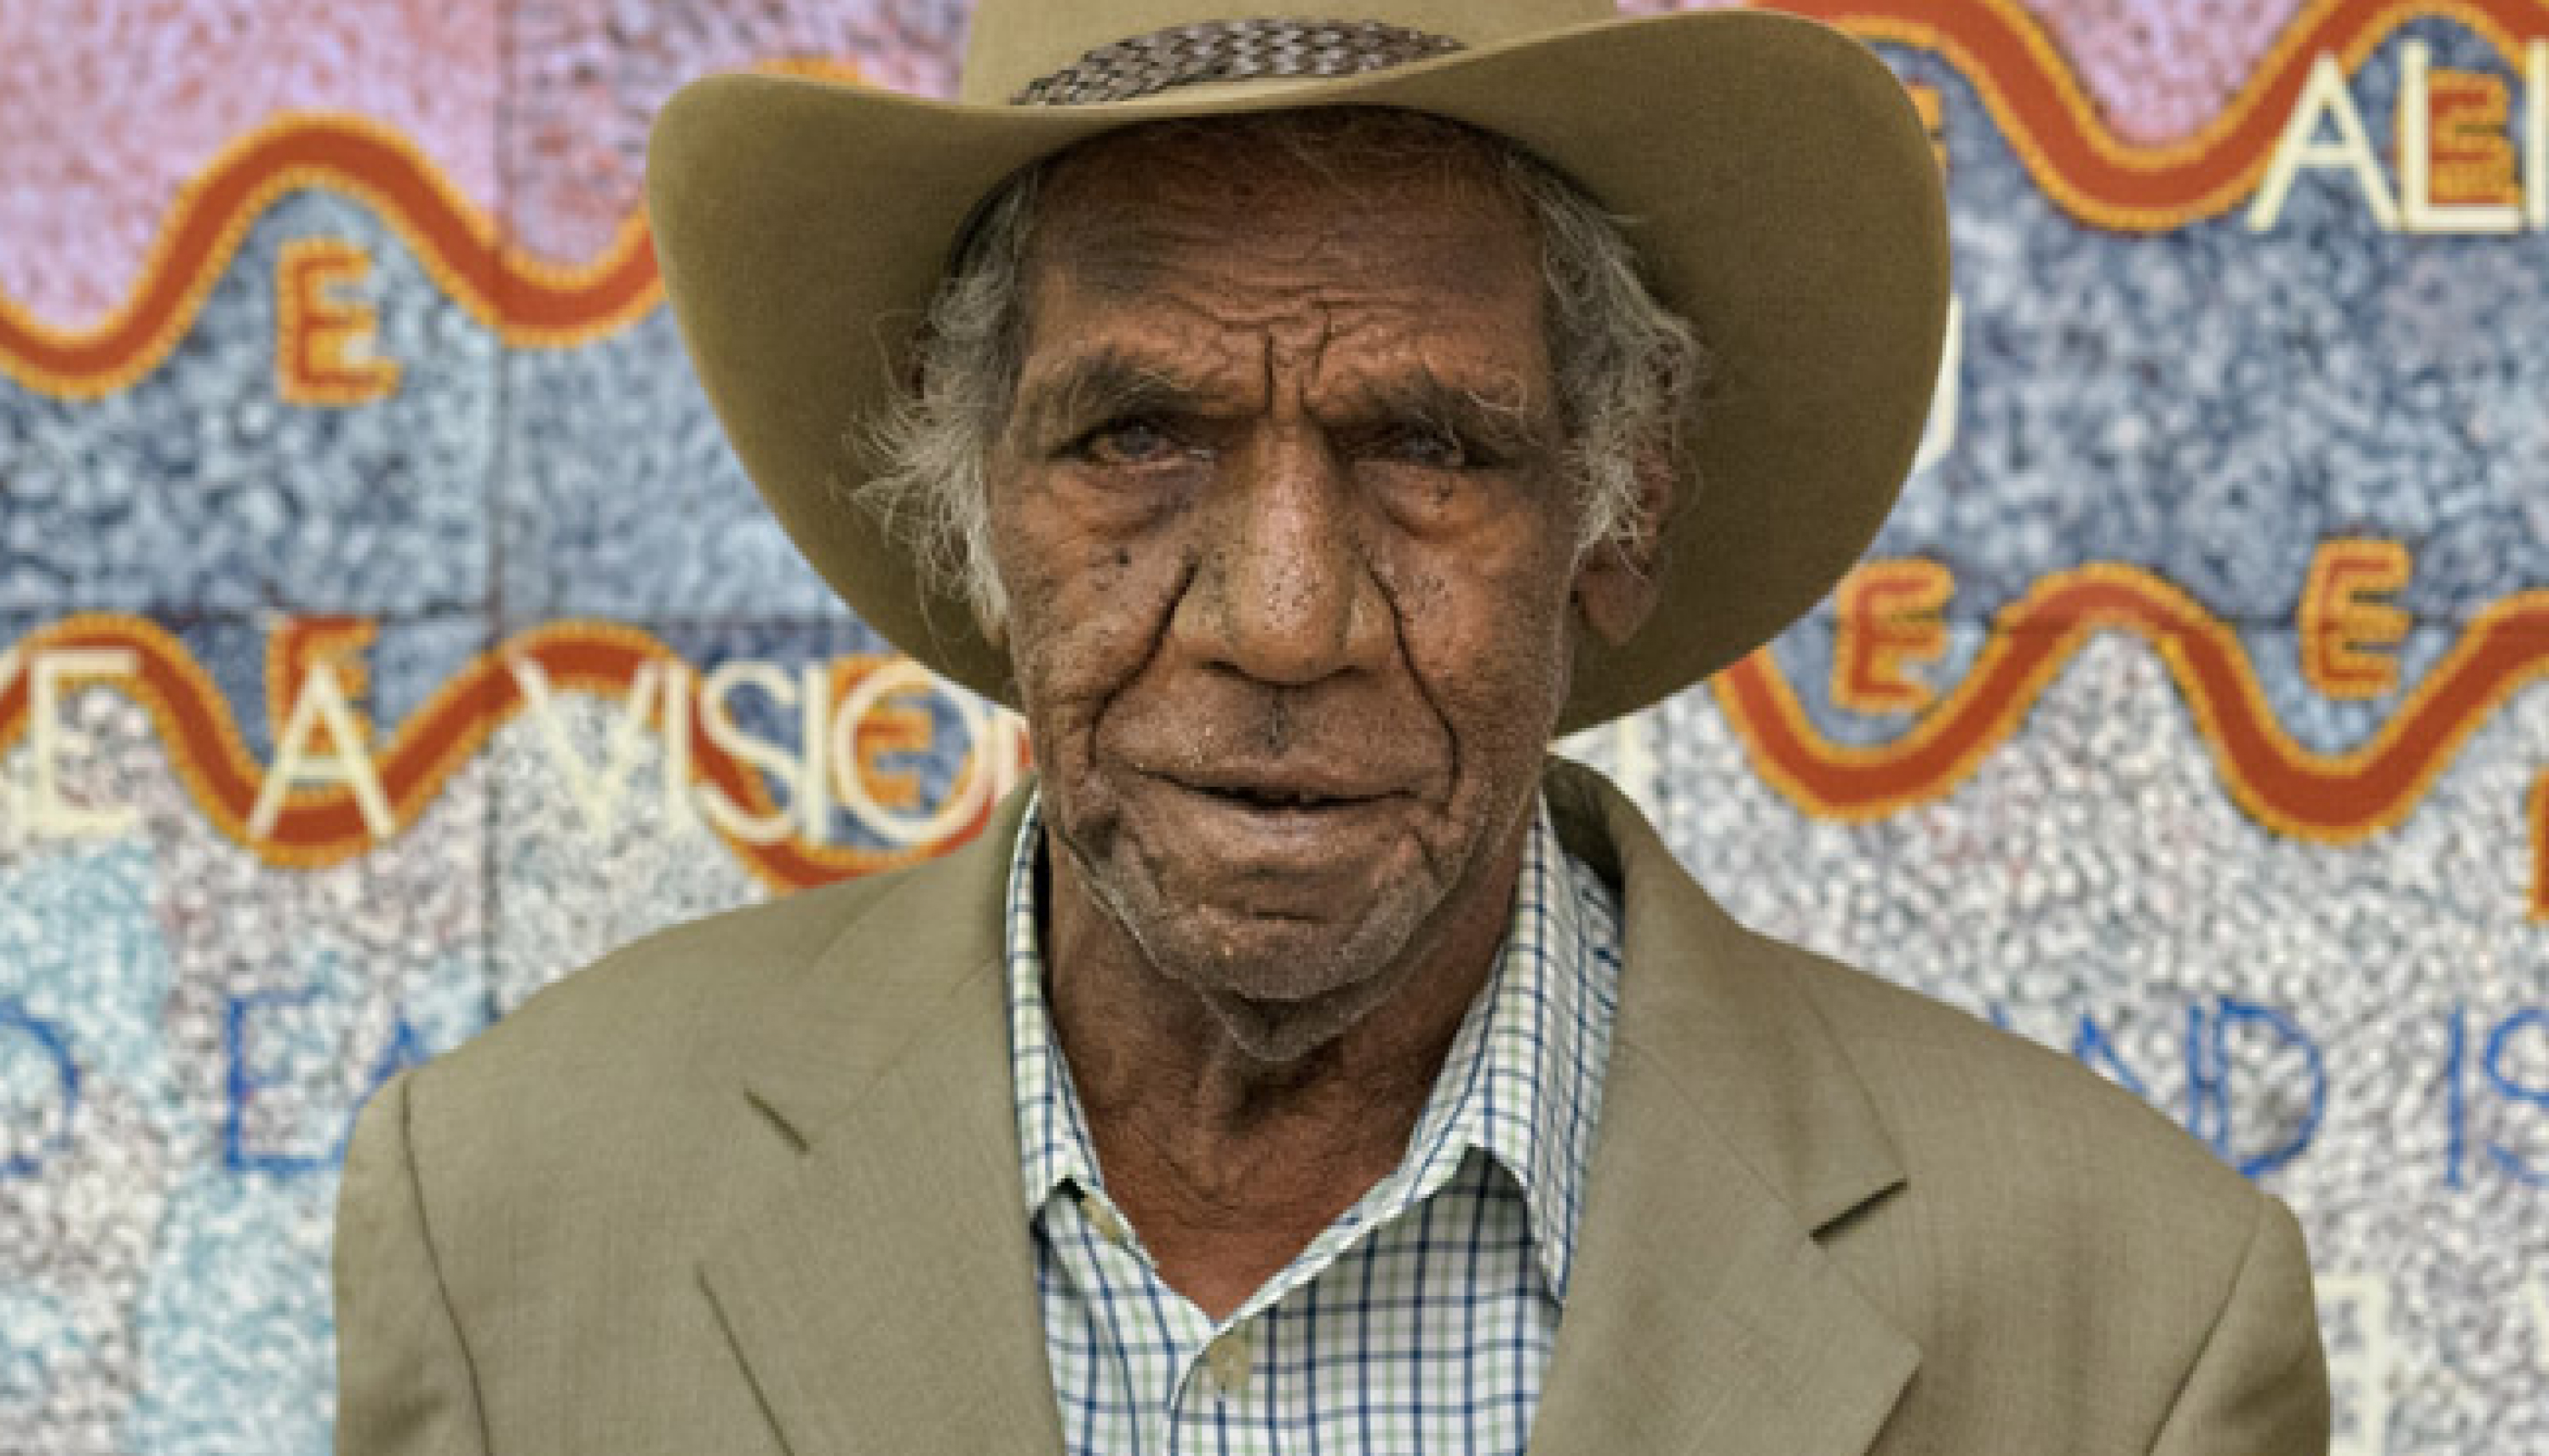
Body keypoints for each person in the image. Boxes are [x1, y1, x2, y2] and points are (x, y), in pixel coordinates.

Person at [333, 3, 2332, 1453]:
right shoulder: (509, 1211)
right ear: (974, 512)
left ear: (1611, 517)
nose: (1280, 621)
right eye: (1135, 438)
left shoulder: (2125, 1324)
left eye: (1423, 445)